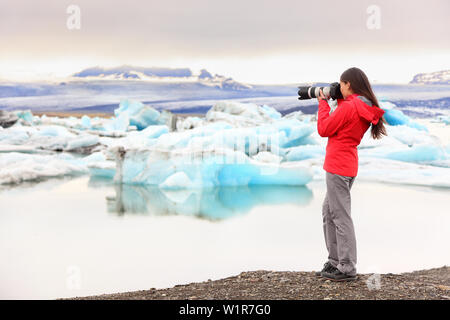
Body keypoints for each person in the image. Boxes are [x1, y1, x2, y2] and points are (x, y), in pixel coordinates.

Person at [314, 67, 387, 281]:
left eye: (341, 84)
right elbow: (348, 117)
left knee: (339, 215)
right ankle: (335, 261)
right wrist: (339, 100)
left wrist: (322, 102)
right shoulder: (363, 106)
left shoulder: (352, 106)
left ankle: (346, 266)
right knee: (329, 212)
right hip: (348, 164)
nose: (340, 87)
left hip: (337, 166)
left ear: (348, 84)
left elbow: (324, 129)